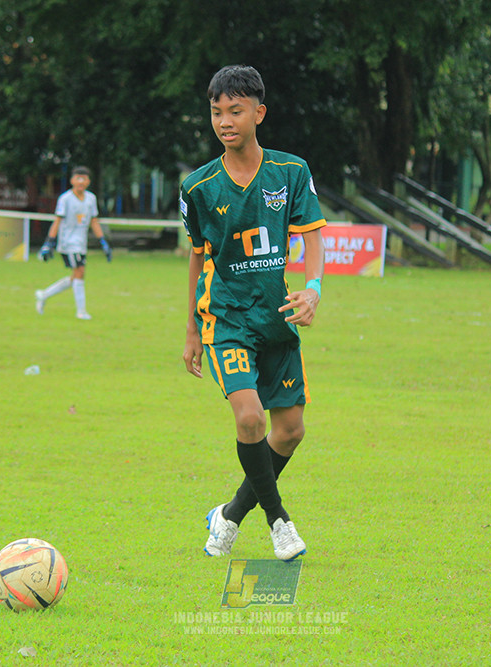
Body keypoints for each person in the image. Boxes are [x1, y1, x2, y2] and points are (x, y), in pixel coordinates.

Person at [180, 65, 326, 562]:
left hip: (275, 318)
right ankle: (279, 522)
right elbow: (199, 258)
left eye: (235, 110)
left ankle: (228, 515)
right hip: (226, 320)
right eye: (217, 111)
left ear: (258, 113)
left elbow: (312, 236)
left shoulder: (290, 172)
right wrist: (192, 329)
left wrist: (313, 289)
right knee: (250, 419)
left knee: (291, 431)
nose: (224, 120)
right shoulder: (198, 187)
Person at [35, 166, 112, 320]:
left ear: (89, 181)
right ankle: (81, 311)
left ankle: (44, 295)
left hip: (81, 243)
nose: (81, 181)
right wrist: (49, 242)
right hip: (68, 242)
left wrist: (103, 241)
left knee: (75, 276)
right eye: (78, 178)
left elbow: (94, 221)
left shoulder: (91, 198)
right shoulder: (65, 199)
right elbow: (57, 221)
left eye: (84, 178)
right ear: (72, 180)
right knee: (80, 272)